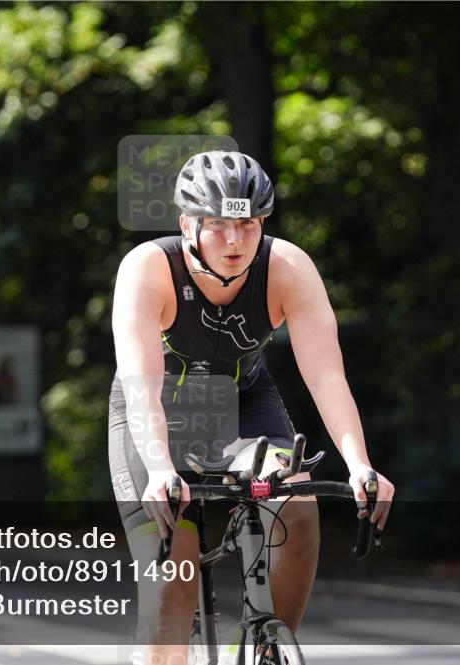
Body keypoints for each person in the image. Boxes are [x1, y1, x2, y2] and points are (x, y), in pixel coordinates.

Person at [109, 150, 395, 663]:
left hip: (244, 403)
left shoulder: (286, 267)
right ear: (187, 224)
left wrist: (360, 465)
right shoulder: (149, 268)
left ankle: (266, 646)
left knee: (298, 506)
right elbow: (140, 388)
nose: (236, 240)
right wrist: (158, 470)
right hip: (157, 412)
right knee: (172, 586)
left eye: (248, 223)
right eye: (218, 224)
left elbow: (327, 376)